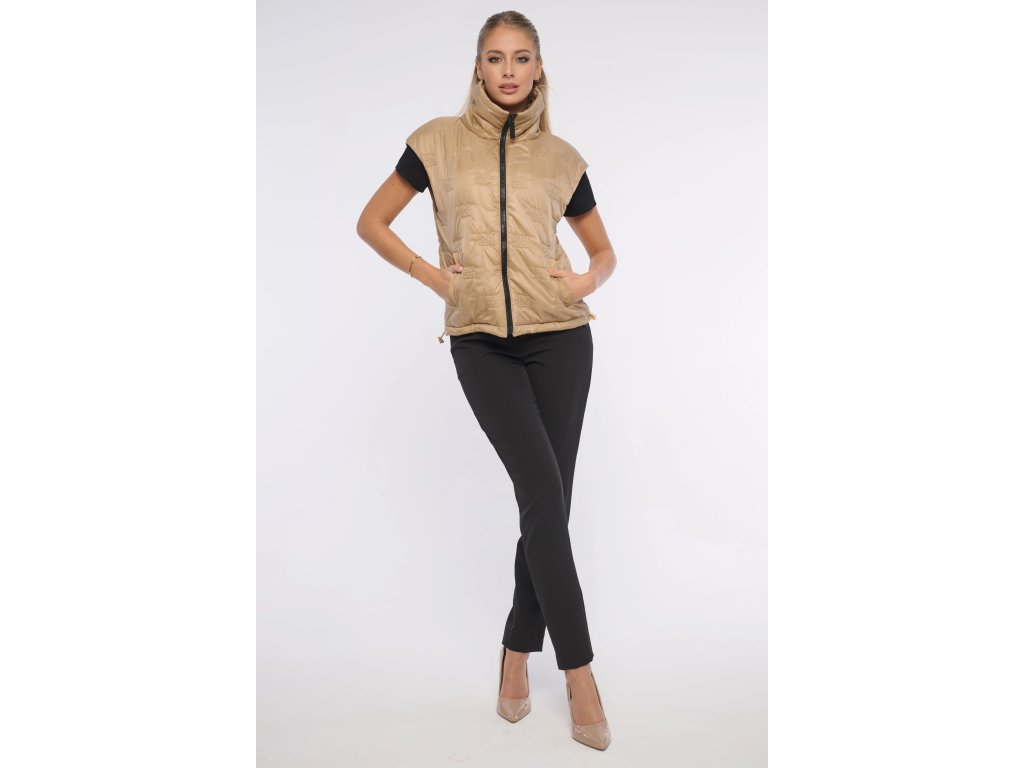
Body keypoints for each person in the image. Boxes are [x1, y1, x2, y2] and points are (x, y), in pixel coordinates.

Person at [356, 10, 617, 751]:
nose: (508, 71)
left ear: (538, 68)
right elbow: (373, 222)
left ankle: (514, 652)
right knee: (542, 492)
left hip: (562, 341)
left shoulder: (561, 158)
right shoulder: (436, 143)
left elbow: (604, 253)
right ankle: (580, 671)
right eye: (496, 58)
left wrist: (584, 280)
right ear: (478, 67)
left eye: (521, 58)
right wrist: (433, 276)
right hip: (480, 343)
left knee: (549, 503)